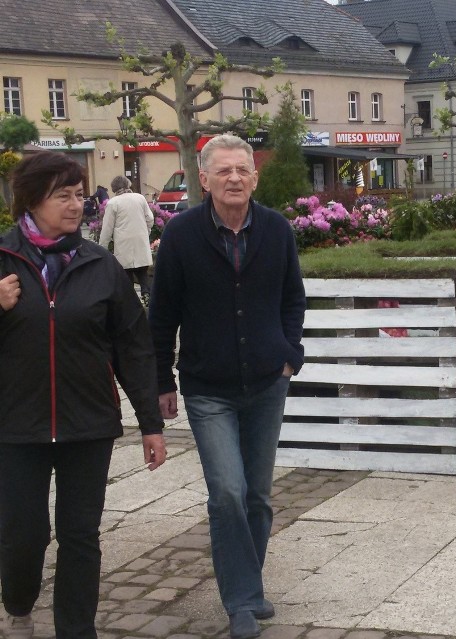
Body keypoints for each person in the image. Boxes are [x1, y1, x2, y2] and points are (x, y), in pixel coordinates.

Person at [0, 152, 167, 639]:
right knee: (23, 535)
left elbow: (133, 348)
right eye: (63, 196)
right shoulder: (2, 259)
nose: (77, 205)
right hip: (14, 425)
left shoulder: (101, 264)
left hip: (87, 423)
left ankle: (77, 630)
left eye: (79, 195)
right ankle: (18, 606)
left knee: (80, 536)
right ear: (31, 201)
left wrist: (151, 425)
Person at [148, 134, 306, 639]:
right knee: (227, 493)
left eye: (242, 170)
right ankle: (241, 601)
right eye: (224, 171)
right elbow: (162, 312)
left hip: (266, 383)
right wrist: (160, 379)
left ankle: (249, 586)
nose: (234, 178)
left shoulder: (277, 230)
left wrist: (288, 357)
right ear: (205, 179)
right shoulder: (181, 235)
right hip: (207, 386)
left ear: (254, 177)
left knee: (257, 495)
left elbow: (293, 300)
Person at [99, 175, 154, 306]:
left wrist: (102, 247)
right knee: (142, 271)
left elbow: (107, 228)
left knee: (126, 273)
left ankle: (131, 301)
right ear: (128, 185)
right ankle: (146, 293)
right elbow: (150, 218)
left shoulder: (113, 203)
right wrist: (146, 231)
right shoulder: (140, 198)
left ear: (114, 188)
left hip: (123, 243)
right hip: (140, 239)